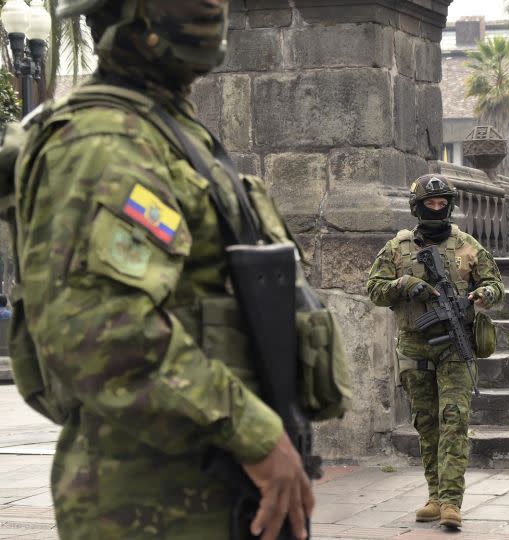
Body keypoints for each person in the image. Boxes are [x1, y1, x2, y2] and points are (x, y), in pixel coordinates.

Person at [10, 2, 315, 539]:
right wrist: (254, 434)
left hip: (203, 488)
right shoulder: (105, 143)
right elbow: (102, 333)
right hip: (150, 505)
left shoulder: (164, 127)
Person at [366, 175, 504, 530]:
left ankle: (452, 502)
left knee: (455, 420)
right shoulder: (398, 247)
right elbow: (374, 289)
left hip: (456, 346)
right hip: (414, 344)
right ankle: (434, 494)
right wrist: (405, 284)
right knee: (426, 423)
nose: (438, 208)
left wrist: (482, 295)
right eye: (431, 203)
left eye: (444, 203)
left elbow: (495, 284)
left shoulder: (468, 245)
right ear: (417, 206)